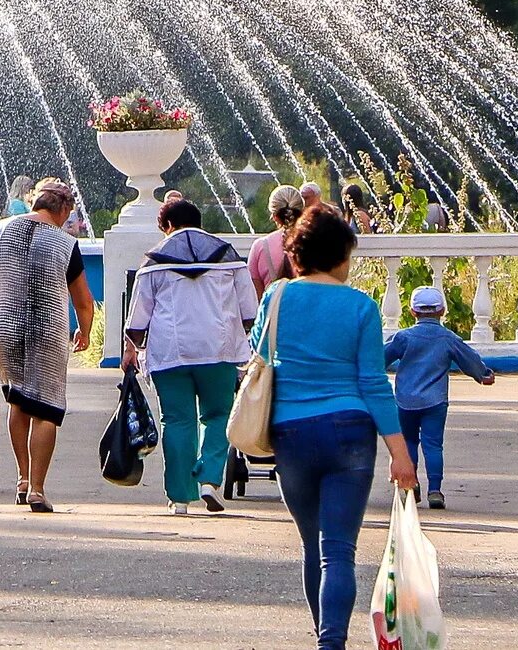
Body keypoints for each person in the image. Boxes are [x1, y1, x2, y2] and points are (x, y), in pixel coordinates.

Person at [252, 206, 421, 650]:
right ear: (341, 256)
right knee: (339, 550)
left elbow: (260, 358)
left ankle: (325, 639)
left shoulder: (277, 297)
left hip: (291, 432)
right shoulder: (361, 307)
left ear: (299, 253)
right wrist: (400, 454)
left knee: (314, 547)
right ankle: (331, 643)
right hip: (350, 434)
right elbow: (373, 383)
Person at [122, 196, 256, 515]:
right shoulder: (227, 256)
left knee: (177, 421)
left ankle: (180, 498)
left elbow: (138, 320)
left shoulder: (155, 260)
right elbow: (249, 312)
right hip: (219, 350)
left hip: (171, 353)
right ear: (199, 221)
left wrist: (133, 348)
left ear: (167, 226)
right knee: (218, 415)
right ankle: (209, 479)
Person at [0, 177, 94, 511]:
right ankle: (38, 489)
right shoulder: (65, 244)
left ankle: (22, 478)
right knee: (46, 408)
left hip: (7, 327)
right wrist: (84, 331)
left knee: (20, 402)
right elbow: (83, 301)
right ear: (64, 209)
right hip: (48, 329)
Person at [384, 284, 496, 510]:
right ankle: (435, 490)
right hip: (436, 401)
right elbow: (469, 358)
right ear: (442, 311)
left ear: (413, 311)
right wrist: (482, 375)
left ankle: (410, 485)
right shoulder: (447, 338)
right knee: (433, 445)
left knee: (408, 443)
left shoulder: (404, 337)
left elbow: (380, 357)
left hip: (405, 401)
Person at [250, 185, 305, 295]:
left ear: (274, 216)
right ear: (302, 211)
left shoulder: (260, 247)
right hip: (307, 310)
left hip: (273, 310)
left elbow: (256, 297)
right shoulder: (316, 243)